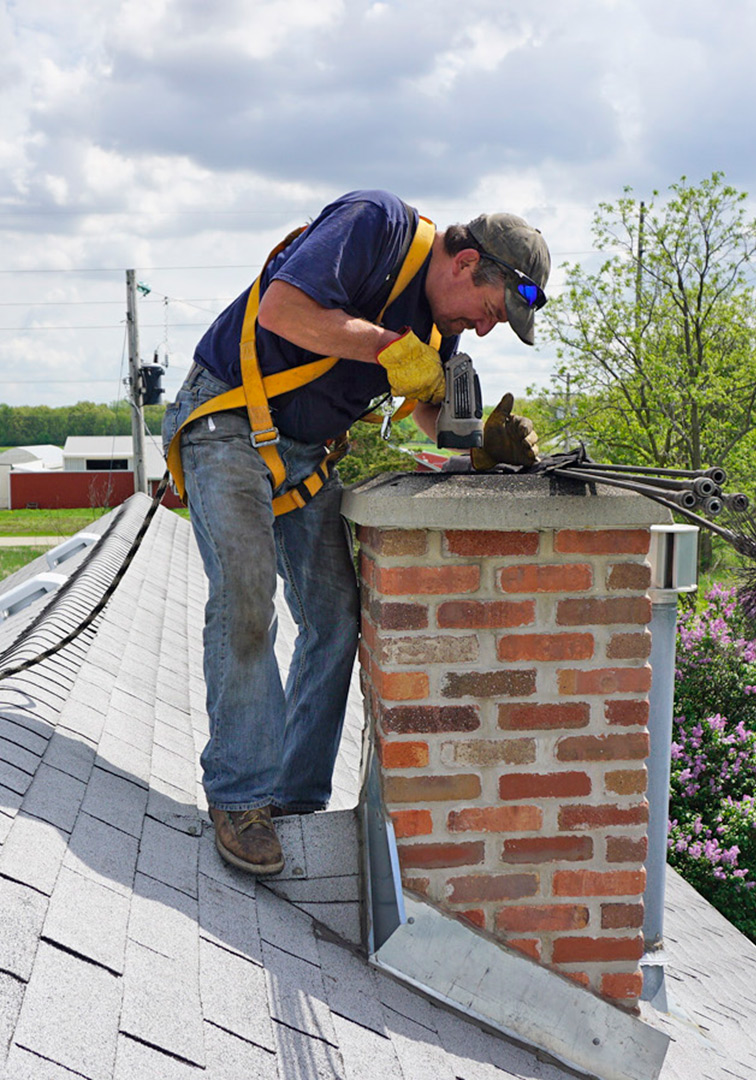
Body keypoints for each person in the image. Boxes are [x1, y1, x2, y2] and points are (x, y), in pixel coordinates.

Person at [162, 189, 550, 876]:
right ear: (466, 263)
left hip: (305, 456)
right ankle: (241, 798)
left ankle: (294, 798)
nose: (483, 330)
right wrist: (387, 346)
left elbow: (425, 406)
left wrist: (481, 444)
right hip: (227, 421)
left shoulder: (441, 322)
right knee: (247, 598)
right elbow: (283, 310)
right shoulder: (375, 224)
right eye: (489, 313)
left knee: (337, 618)